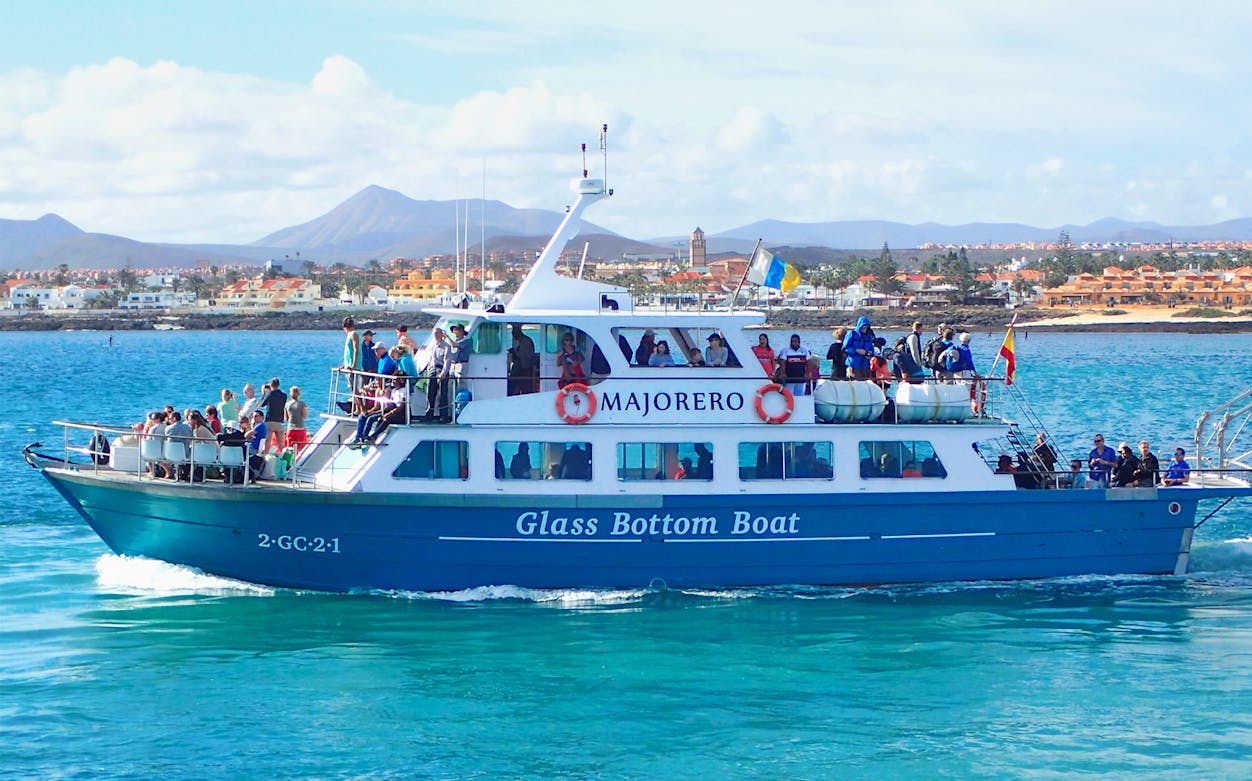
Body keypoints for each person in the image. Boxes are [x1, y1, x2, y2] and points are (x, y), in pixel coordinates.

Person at [423, 328, 452, 422]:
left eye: (437, 333)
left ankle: (443, 416)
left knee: (442, 394)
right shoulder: (432, 345)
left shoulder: (447, 346)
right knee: (430, 393)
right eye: (434, 333)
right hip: (432, 369)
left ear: (441, 334)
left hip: (441, 369)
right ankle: (429, 415)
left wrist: (444, 372)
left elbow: (447, 360)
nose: (435, 335)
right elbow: (430, 359)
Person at [259, 377, 287, 453]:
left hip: (270, 421)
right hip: (279, 421)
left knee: (267, 442)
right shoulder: (284, 395)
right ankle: (286, 458)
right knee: (281, 443)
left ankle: (264, 458)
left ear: (271, 385)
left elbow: (262, 404)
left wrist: (264, 393)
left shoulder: (269, 394)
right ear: (278, 385)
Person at [508, 324, 537, 396]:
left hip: (525, 368)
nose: (513, 336)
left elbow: (524, 357)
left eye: (514, 334)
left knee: (513, 381)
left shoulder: (526, 342)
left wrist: (514, 353)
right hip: (520, 367)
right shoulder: (521, 342)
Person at [285, 385, 309, 454]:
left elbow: (286, 418)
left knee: (290, 449)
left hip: (291, 429)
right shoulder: (302, 404)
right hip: (300, 429)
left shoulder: (287, 404)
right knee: (301, 450)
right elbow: (304, 416)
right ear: (299, 394)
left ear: (291, 394)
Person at [342, 316, 362, 383]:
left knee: (354, 388)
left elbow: (356, 350)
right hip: (348, 365)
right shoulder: (349, 335)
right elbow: (348, 352)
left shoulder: (353, 334)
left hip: (353, 366)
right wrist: (344, 364)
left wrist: (353, 365)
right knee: (351, 387)